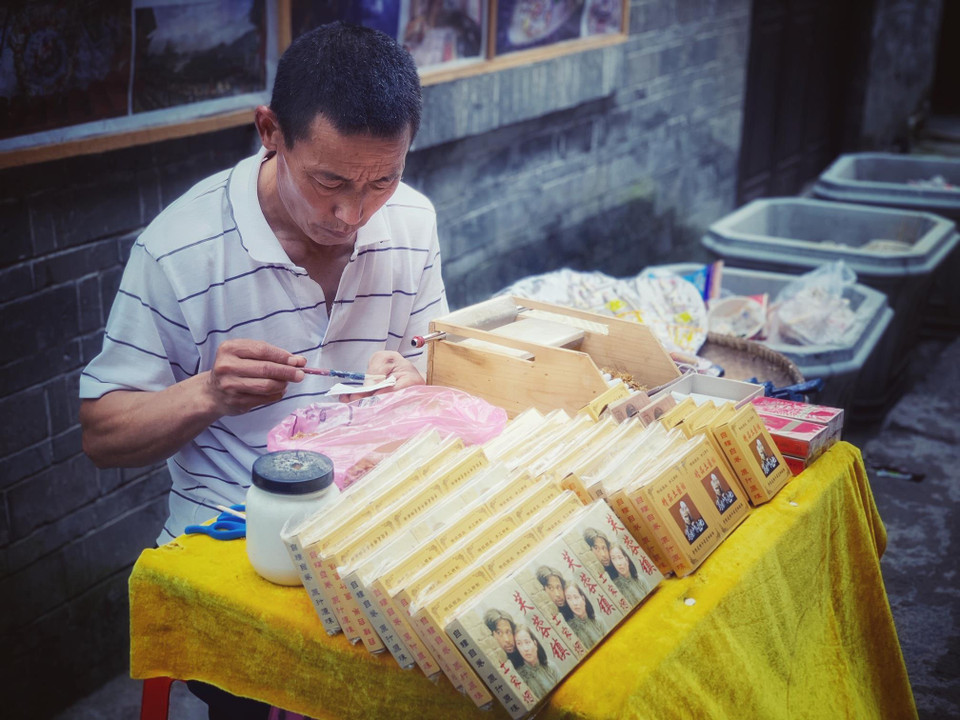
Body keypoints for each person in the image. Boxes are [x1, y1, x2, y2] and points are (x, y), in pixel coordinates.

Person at [79, 22, 446, 720]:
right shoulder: (178, 250)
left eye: (381, 182)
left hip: (372, 522)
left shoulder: (412, 221)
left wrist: (417, 377)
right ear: (270, 131)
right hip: (238, 546)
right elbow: (101, 434)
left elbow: (433, 356)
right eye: (330, 181)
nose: (353, 214)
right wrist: (208, 393)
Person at [513, 624, 560, 699]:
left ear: (535, 643)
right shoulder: (518, 677)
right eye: (519, 644)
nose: (525, 649)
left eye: (527, 642)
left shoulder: (550, 666)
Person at [563, 582, 605, 649]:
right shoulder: (570, 630)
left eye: (576, 597)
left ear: (583, 598)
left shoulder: (597, 620)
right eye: (569, 599)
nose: (574, 603)